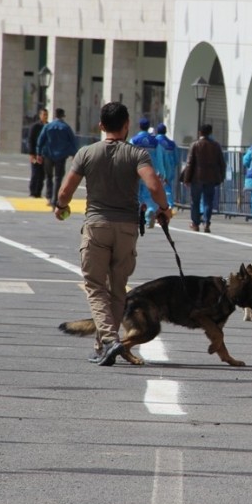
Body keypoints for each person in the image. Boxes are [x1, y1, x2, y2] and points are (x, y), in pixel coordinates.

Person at [53, 101, 170, 364]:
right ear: (127, 125)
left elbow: (64, 192)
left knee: (95, 287)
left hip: (97, 226)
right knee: (118, 289)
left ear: (101, 126)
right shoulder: (137, 154)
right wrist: (164, 208)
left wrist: (61, 207)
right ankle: (103, 346)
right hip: (127, 229)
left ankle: (109, 340)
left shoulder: (86, 153)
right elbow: (153, 185)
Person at [182, 123, 225, 233]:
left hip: (197, 177)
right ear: (210, 132)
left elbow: (189, 163)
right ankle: (206, 222)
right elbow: (222, 163)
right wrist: (221, 177)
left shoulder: (195, 145)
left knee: (195, 201)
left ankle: (195, 223)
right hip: (211, 177)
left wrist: (186, 178)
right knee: (208, 201)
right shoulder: (216, 145)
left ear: (199, 132)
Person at [129, 117, 166, 228]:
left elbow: (130, 157)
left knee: (137, 195)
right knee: (149, 195)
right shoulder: (155, 142)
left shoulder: (134, 140)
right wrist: (162, 173)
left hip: (137, 172)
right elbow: (159, 158)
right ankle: (150, 210)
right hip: (150, 172)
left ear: (140, 126)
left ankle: (139, 214)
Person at [37, 108, 78, 206]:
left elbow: (41, 140)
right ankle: (55, 199)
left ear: (55, 115)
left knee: (49, 176)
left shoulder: (48, 126)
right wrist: (74, 154)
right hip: (61, 156)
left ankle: (49, 196)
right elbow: (72, 141)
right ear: (63, 116)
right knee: (58, 178)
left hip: (48, 155)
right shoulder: (66, 127)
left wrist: (38, 153)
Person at [155, 122, 178, 210]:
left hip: (156, 168)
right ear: (165, 131)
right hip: (169, 170)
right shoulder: (171, 143)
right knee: (167, 187)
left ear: (157, 131)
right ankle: (169, 205)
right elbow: (176, 159)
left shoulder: (155, 141)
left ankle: (156, 206)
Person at [26, 108, 48, 198]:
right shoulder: (35, 126)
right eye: (44, 115)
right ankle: (32, 192)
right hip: (35, 153)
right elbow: (31, 140)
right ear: (40, 115)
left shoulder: (48, 126)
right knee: (35, 173)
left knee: (42, 174)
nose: (45, 117)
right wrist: (31, 153)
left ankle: (38, 192)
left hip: (45, 155)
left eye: (46, 115)